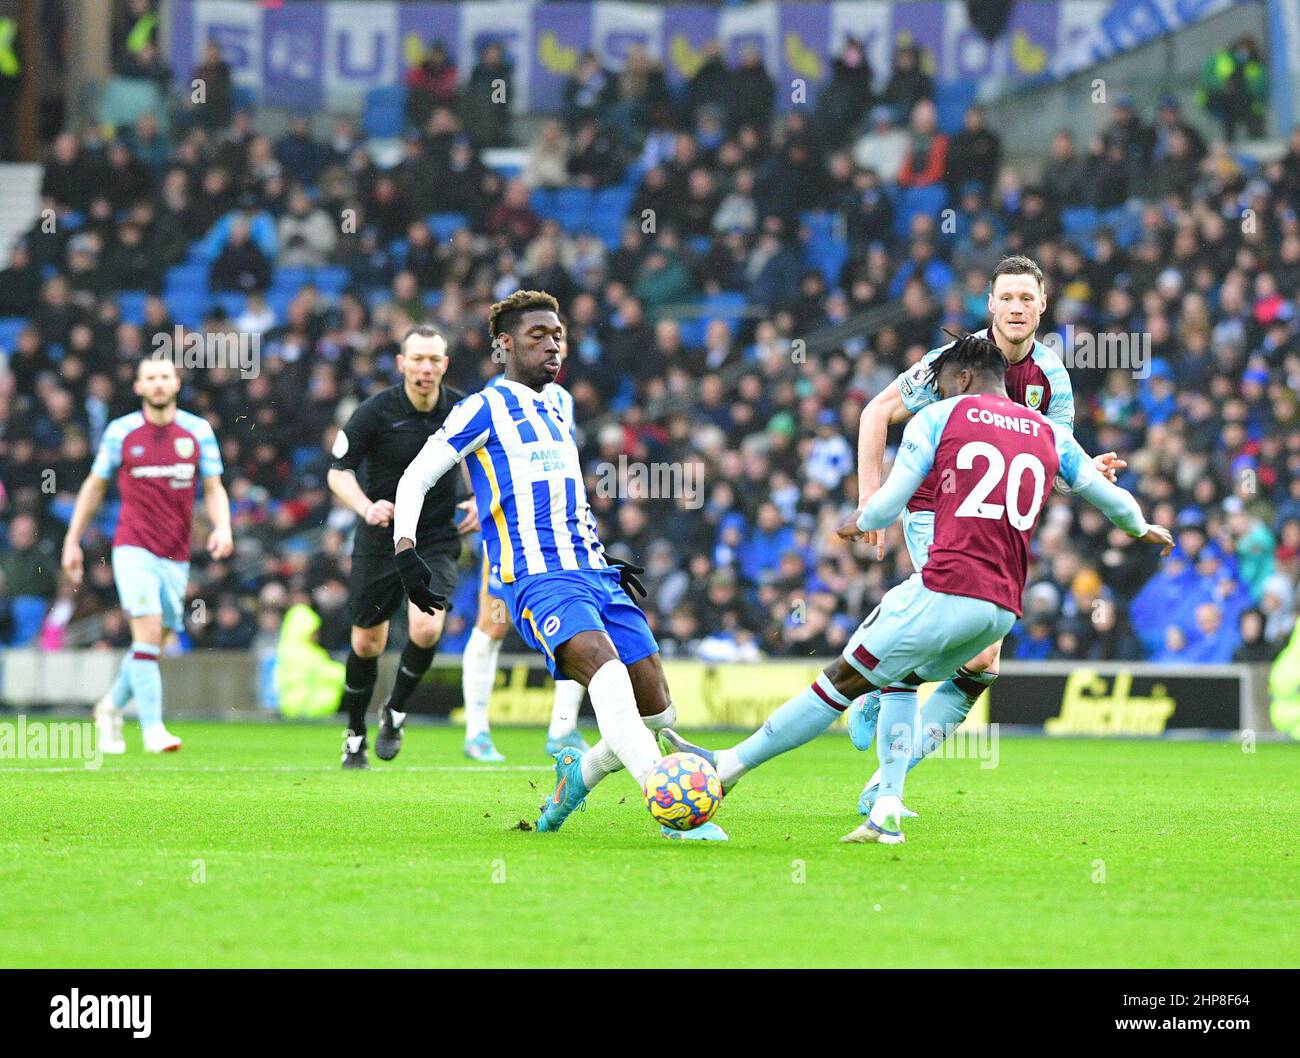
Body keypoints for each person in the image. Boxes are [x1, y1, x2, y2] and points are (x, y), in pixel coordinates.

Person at [662, 334, 1172, 843]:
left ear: (965, 379)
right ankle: (885, 807)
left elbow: (888, 504)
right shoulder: (1047, 432)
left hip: (943, 587)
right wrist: (1143, 529)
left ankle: (726, 766)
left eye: (946, 385)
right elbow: (1112, 499)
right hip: (999, 609)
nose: (941, 393)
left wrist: (854, 522)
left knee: (841, 680)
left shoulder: (940, 417)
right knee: (902, 681)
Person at [391, 289, 721, 840]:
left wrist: (603, 555)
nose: (552, 345)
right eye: (536, 336)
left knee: (658, 714)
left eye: (558, 336)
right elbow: (415, 477)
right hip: (538, 580)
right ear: (503, 346)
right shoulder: (483, 408)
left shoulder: (556, 408)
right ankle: (672, 811)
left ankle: (578, 775)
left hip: (593, 571)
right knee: (606, 676)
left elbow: (562, 498)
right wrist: (407, 552)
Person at [846, 255, 1124, 817]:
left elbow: (1055, 468)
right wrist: (869, 502)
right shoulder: (957, 362)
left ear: (1042, 306)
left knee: (981, 665)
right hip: (931, 510)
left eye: (1028, 298)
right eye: (1008, 298)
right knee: (980, 649)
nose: (1017, 308)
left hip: (992, 525)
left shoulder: (1052, 379)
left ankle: (882, 744)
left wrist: (1088, 472)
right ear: (990, 305)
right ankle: (884, 770)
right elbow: (875, 414)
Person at [61, 357, 233, 753]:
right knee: (149, 631)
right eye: (150, 378)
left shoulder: (197, 430)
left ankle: (108, 707)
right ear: (138, 386)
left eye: (164, 377)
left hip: (176, 553)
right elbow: (94, 485)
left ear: (176, 383)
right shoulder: (121, 432)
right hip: (132, 546)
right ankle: (153, 728)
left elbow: (214, 486)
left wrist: (223, 526)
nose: (158, 384)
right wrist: (73, 540)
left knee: (158, 638)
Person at [325, 326, 478, 769]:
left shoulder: (464, 408)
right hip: (381, 537)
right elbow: (339, 471)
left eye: (434, 360)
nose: (426, 368)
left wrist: (482, 502)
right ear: (402, 363)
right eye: (418, 359)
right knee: (368, 642)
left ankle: (395, 709)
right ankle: (355, 735)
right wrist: (365, 506)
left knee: (427, 629)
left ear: (445, 364)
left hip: (434, 535)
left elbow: (491, 457)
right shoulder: (375, 412)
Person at [460, 328, 604, 761]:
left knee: (578, 625)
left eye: (556, 345)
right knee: (493, 625)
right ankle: (477, 732)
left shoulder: (563, 401)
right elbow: (475, 451)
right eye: (541, 344)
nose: (551, 353)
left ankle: (562, 732)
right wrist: (477, 498)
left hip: (561, 537)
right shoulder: (496, 394)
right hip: (512, 537)